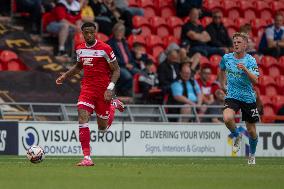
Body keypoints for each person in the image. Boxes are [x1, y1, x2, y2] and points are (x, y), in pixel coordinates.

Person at [55, 22, 125, 166]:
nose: (88, 35)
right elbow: (79, 66)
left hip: (104, 90)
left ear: (95, 32)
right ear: (82, 33)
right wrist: (65, 76)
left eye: (91, 32)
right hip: (87, 88)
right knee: (82, 117)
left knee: (102, 128)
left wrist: (110, 88)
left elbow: (117, 70)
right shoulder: (80, 49)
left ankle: (113, 105)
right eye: (85, 32)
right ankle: (87, 158)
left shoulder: (105, 48)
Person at [219, 32, 260, 165]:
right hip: (232, 95)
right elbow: (221, 69)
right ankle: (237, 136)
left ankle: (252, 155)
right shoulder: (227, 58)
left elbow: (256, 81)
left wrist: (246, 70)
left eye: (239, 42)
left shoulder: (250, 60)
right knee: (227, 118)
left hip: (248, 97)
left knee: (251, 130)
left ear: (245, 45)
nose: (236, 44)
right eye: (234, 42)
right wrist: (222, 84)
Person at [108, 23, 140, 96]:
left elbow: (129, 56)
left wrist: (131, 64)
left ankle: (140, 96)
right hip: (118, 66)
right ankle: (122, 92)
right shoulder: (110, 43)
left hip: (128, 65)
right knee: (128, 77)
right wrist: (125, 64)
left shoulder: (124, 43)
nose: (120, 33)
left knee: (140, 74)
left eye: (122, 32)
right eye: (118, 31)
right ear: (114, 32)